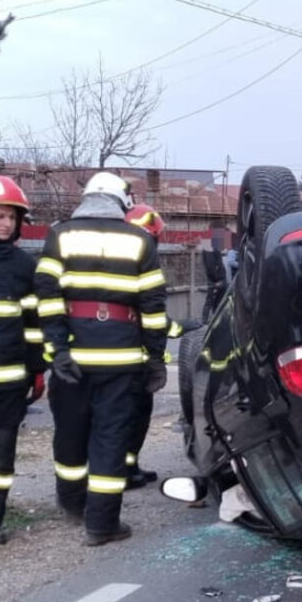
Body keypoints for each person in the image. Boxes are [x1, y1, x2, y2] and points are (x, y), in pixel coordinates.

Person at [34, 172, 168, 546]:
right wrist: (155, 358)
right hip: (122, 359)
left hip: (73, 356)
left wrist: (58, 350)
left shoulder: (60, 234)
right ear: (119, 202)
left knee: (71, 433)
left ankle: (73, 504)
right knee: (111, 438)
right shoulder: (140, 239)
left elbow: (47, 296)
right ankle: (102, 525)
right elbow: (153, 308)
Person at [0, 176, 45, 547]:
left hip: (9, 381)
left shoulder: (23, 265)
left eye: (11, 218)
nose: (6, 224)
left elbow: (33, 324)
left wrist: (37, 370)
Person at [122, 203, 196, 490]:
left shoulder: (116, 262)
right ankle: (125, 471)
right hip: (134, 359)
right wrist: (183, 329)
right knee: (133, 416)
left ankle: (129, 468)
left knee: (123, 416)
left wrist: (179, 327)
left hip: (117, 356)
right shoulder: (137, 264)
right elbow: (150, 315)